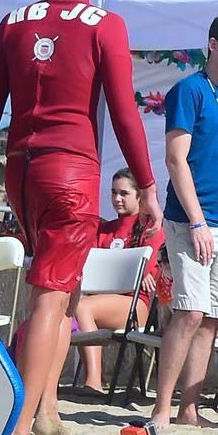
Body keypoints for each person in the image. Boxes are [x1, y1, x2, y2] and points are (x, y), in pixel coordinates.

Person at [0, 0, 161, 435]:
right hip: (70, 169)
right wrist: (147, 184)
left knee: (62, 293)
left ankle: (48, 412)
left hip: (20, 168)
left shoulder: (15, 22)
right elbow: (125, 112)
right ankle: (19, 424)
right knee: (50, 297)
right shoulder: (105, 24)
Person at [150, 13, 218, 429]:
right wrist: (197, 223)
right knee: (190, 312)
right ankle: (160, 408)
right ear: (213, 44)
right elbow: (176, 160)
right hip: (191, 221)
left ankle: (188, 410)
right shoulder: (189, 91)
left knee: (213, 317)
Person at [73, 168, 166, 395]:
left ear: (139, 197)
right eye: (113, 192)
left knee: (83, 306)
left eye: (124, 193)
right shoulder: (103, 230)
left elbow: (150, 271)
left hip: (136, 306)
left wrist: (145, 275)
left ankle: (93, 381)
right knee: (65, 306)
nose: (116, 199)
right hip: (101, 301)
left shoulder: (152, 230)